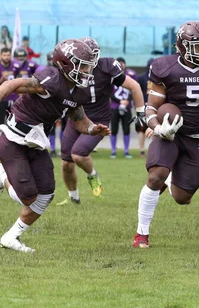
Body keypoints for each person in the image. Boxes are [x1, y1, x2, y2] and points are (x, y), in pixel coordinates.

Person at [0, 38, 109, 252]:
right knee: (27, 196)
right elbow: (12, 84)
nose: (88, 70)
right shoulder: (51, 79)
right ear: (65, 64)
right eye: (83, 65)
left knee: (46, 194)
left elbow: (78, 117)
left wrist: (92, 129)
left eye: (89, 65)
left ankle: (11, 237)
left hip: (36, 142)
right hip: (15, 139)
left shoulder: (79, 90)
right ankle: (2, 175)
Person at [133, 21, 199, 248]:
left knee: (182, 198)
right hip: (170, 132)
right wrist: (158, 127)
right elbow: (151, 108)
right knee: (155, 176)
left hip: (198, 135)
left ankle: (171, 177)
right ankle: (141, 235)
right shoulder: (165, 67)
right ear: (182, 46)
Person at [58, 37, 146, 205]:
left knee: (78, 154)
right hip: (76, 118)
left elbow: (134, 86)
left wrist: (141, 114)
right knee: (66, 163)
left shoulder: (107, 67)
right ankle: (74, 198)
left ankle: (92, 175)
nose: (86, 61)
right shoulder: (70, 68)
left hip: (98, 120)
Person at [134, 58, 154, 158]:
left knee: (155, 128)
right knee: (142, 129)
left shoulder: (158, 78)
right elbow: (136, 92)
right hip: (143, 107)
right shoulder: (141, 78)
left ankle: (153, 150)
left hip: (153, 107)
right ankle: (142, 150)